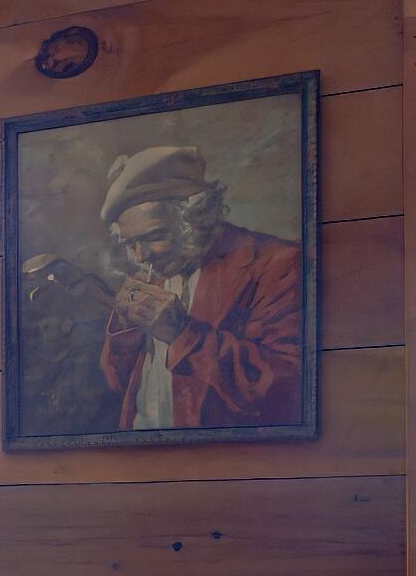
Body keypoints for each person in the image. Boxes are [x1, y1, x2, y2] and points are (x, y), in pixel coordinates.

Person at [82, 145, 304, 431]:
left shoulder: (277, 263)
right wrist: (125, 329)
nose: (140, 257)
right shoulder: (149, 276)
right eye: (130, 244)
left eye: (154, 236)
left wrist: (183, 334)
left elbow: (286, 390)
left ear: (195, 218)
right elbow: (118, 384)